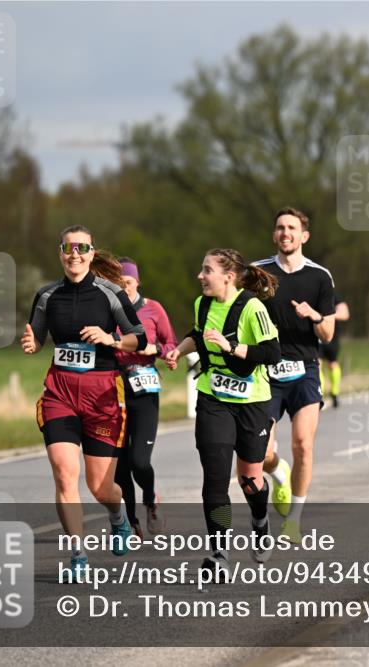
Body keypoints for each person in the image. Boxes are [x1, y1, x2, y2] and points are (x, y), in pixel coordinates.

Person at [22, 226, 149, 582]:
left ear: (92, 254)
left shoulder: (110, 294)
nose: (74, 253)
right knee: (65, 475)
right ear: (60, 252)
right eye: (68, 247)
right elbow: (37, 336)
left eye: (82, 248)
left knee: (99, 487)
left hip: (103, 394)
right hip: (60, 392)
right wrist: (32, 345)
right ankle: (78, 555)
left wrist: (110, 338)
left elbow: (138, 339)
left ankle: (117, 515)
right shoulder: (46, 295)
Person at [165, 249, 281, 574]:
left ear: (228, 276)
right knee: (215, 479)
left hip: (251, 402)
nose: (200, 276)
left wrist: (231, 347)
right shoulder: (202, 304)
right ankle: (220, 555)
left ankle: (260, 520)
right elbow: (198, 334)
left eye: (206, 270)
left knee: (249, 479)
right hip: (212, 397)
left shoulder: (252, 308)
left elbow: (272, 352)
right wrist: (178, 349)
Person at [252, 208, 336, 545]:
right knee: (258, 454)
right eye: (280, 228)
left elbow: (328, 333)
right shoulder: (258, 273)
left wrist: (313, 314)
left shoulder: (319, 277)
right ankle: (278, 472)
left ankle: (294, 522)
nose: (285, 233)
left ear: (304, 236)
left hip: (304, 371)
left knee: (302, 443)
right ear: (274, 235)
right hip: (265, 372)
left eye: (292, 228)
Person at [114, 257, 178, 539]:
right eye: (118, 284)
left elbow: (170, 344)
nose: (124, 289)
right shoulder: (107, 310)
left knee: (139, 460)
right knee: (119, 464)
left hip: (144, 388)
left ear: (137, 281)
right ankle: (130, 522)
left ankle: (150, 500)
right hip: (112, 389)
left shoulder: (153, 309)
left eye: (127, 283)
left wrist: (157, 351)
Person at [320, 293, 350, 407]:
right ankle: (319, 396)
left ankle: (335, 392)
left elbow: (345, 314)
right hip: (315, 335)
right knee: (317, 363)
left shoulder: (333, 296)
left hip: (331, 335)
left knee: (332, 364)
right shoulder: (309, 293)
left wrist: (326, 315)